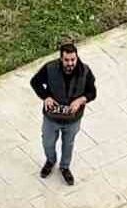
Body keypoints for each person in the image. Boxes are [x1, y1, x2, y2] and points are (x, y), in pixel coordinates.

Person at [30, 42, 97, 185]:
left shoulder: (85, 71)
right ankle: (50, 161)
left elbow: (92, 92)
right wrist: (46, 96)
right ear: (61, 58)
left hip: (73, 119)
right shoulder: (50, 68)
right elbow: (35, 82)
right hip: (51, 117)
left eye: (73, 59)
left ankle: (65, 167)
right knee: (47, 142)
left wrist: (81, 100)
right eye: (67, 60)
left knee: (68, 144)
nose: (70, 63)